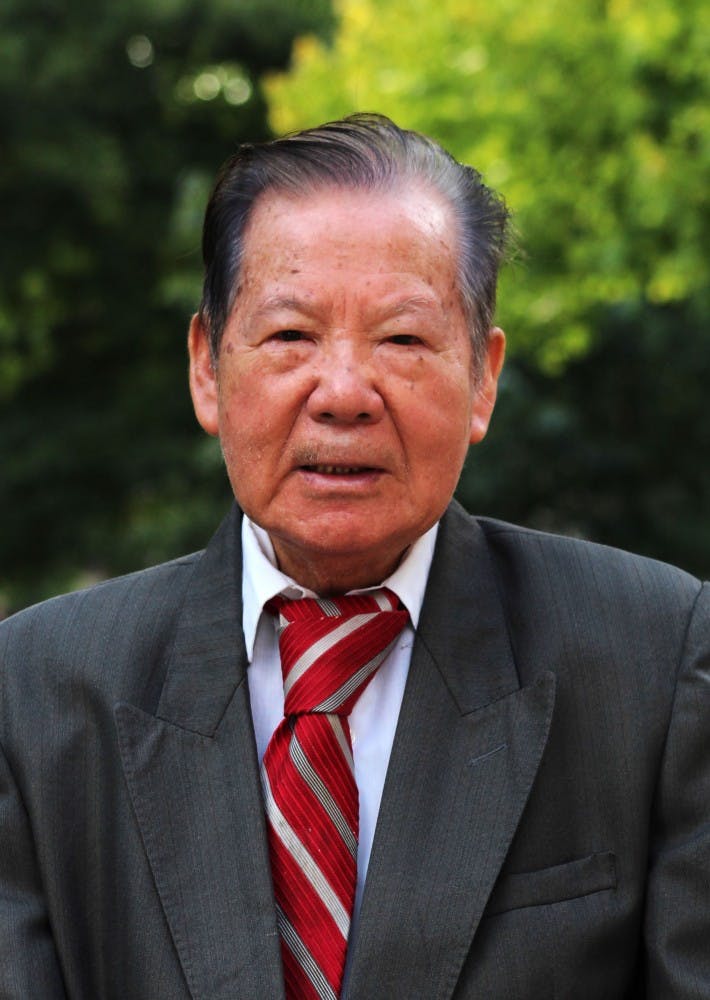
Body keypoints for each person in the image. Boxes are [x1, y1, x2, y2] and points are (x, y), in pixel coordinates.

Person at [0, 114, 708, 1000]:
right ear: (207, 370)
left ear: (483, 380)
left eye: (403, 340)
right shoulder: (33, 692)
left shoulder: (654, 660)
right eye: (291, 336)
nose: (342, 393)